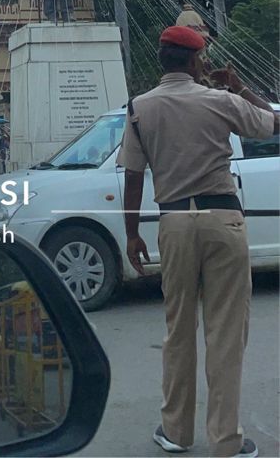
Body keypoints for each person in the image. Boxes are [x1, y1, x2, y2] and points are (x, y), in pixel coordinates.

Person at [119, 25, 279, 458]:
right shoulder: (220, 100)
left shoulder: (139, 109)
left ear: (162, 60)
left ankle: (176, 431)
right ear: (195, 61)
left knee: (178, 329)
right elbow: (273, 122)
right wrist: (240, 85)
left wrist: (133, 233)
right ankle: (226, 441)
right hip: (223, 218)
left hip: (173, 221)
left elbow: (133, 175)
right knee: (226, 332)